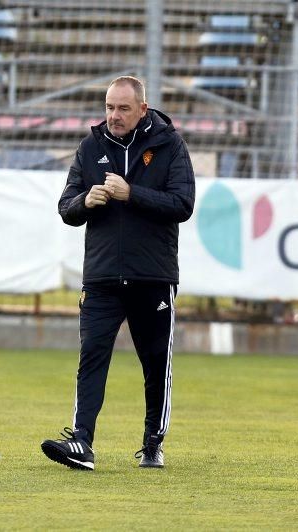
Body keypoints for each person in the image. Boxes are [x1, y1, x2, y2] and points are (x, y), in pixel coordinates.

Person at [41, 76, 195, 470]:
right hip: (102, 276)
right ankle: (81, 443)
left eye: (123, 108)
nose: (114, 116)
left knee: (155, 362)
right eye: (109, 107)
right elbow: (65, 208)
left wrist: (132, 193)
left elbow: (183, 203)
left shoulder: (169, 144)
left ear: (143, 109)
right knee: (91, 355)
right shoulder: (91, 146)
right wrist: (84, 201)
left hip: (152, 276)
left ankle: (152, 443)